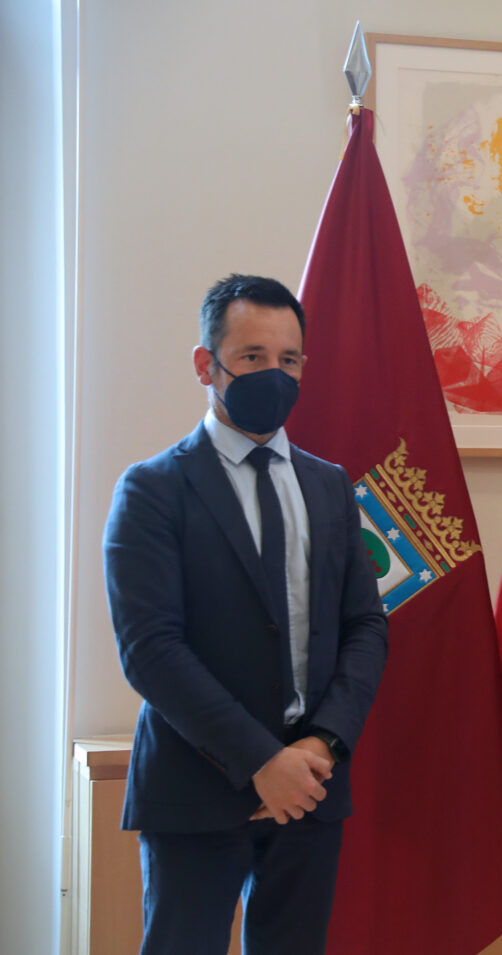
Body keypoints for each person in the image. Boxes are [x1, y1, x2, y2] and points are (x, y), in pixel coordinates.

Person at [103, 274, 388, 955]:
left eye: (288, 359)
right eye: (253, 356)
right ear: (207, 364)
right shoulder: (152, 489)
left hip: (312, 788)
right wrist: (261, 761)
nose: (273, 374)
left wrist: (320, 746)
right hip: (195, 789)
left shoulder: (329, 485)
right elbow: (150, 648)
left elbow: (365, 626)